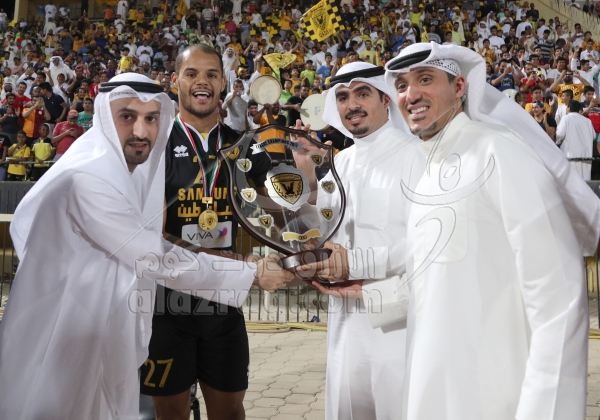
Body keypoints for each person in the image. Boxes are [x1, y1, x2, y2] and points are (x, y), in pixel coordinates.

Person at [0, 73, 292, 419]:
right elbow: (154, 257)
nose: (141, 131)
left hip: (107, 326)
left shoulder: (126, 170)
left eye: (151, 118)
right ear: (104, 116)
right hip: (68, 333)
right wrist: (251, 272)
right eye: (127, 116)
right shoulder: (88, 178)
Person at [379, 41, 597, 420]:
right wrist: (359, 293)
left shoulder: (499, 151)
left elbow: (558, 297)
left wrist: (544, 410)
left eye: (425, 79)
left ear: (460, 87)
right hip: (433, 393)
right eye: (401, 85)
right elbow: (433, 280)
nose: (410, 95)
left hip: (494, 397)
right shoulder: (426, 172)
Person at [140, 44, 275, 420]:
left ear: (223, 84)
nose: (202, 81)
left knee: (230, 412)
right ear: (175, 81)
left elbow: (278, 206)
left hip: (223, 300)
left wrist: (306, 176)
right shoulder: (154, 145)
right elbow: (146, 231)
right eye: (192, 73)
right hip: (165, 303)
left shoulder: (243, 145)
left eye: (212, 74)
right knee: (170, 415)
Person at [302, 62, 424, 420]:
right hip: (345, 321)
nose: (352, 104)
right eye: (342, 97)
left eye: (362, 93)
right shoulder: (339, 164)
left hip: (397, 320)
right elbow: (321, 234)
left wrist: (353, 264)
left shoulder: (416, 155)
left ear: (385, 99)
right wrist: (306, 176)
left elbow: (424, 244)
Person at [556, 100, 596, 181]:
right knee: (585, 181)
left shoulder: (566, 118)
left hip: (571, 155)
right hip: (586, 155)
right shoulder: (587, 121)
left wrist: (557, 142)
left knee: (572, 181)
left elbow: (559, 134)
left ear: (568, 108)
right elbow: (594, 136)